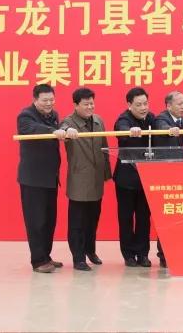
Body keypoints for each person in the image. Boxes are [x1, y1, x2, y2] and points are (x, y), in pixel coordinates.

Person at [60, 87, 112, 271]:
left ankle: (90, 250)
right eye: (86, 104)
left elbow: (105, 148)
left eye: (92, 103)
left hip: (96, 179)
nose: (90, 107)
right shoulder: (69, 122)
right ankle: (78, 258)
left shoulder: (98, 121)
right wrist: (67, 131)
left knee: (92, 220)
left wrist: (107, 173)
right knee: (77, 222)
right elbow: (62, 128)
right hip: (79, 180)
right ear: (76, 105)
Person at [16, 84, 65, 273]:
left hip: (50, 177)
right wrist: (53, 131)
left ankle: (46, 256)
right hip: (33, 179)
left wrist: (65, 130)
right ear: (35, 100)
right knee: (36, 221)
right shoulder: (25, 116)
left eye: (52, 100)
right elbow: (33, 129)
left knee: (49, 221)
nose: (49, 103)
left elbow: (60, 127)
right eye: (45, 100)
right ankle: (38, 261)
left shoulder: (53, 115)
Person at [113, 87, 156, 267]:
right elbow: (121, 129)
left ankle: (143, 254)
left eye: (145, 103)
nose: (143, 107)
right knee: (126, 218)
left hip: (146, 178)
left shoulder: (151, 118)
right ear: (129, 105)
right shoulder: (124, 119)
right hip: (126, 180)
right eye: (138, 104)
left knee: (144, 218)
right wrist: (131, 130)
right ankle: (128, 254)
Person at [153, 91, 183, 268]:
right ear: (168, 105)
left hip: (180, 173)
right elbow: (162, 126)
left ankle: (178, 250)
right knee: (166, 215)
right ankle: (164, 255)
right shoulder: (161, 119)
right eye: (180, 103)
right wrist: (169, 130)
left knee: (179, 214)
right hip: (165, 176)